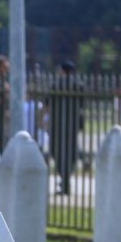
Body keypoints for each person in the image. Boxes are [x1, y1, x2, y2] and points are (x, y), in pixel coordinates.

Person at [49, 60, 84, 195]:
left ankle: (64, 179)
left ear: (63, 71)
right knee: (71, 153)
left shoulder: (56, 85)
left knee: (56, 152)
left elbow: (48, 103)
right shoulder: (79, 86)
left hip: (57, 124)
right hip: (73, 124)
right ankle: (66, 178)